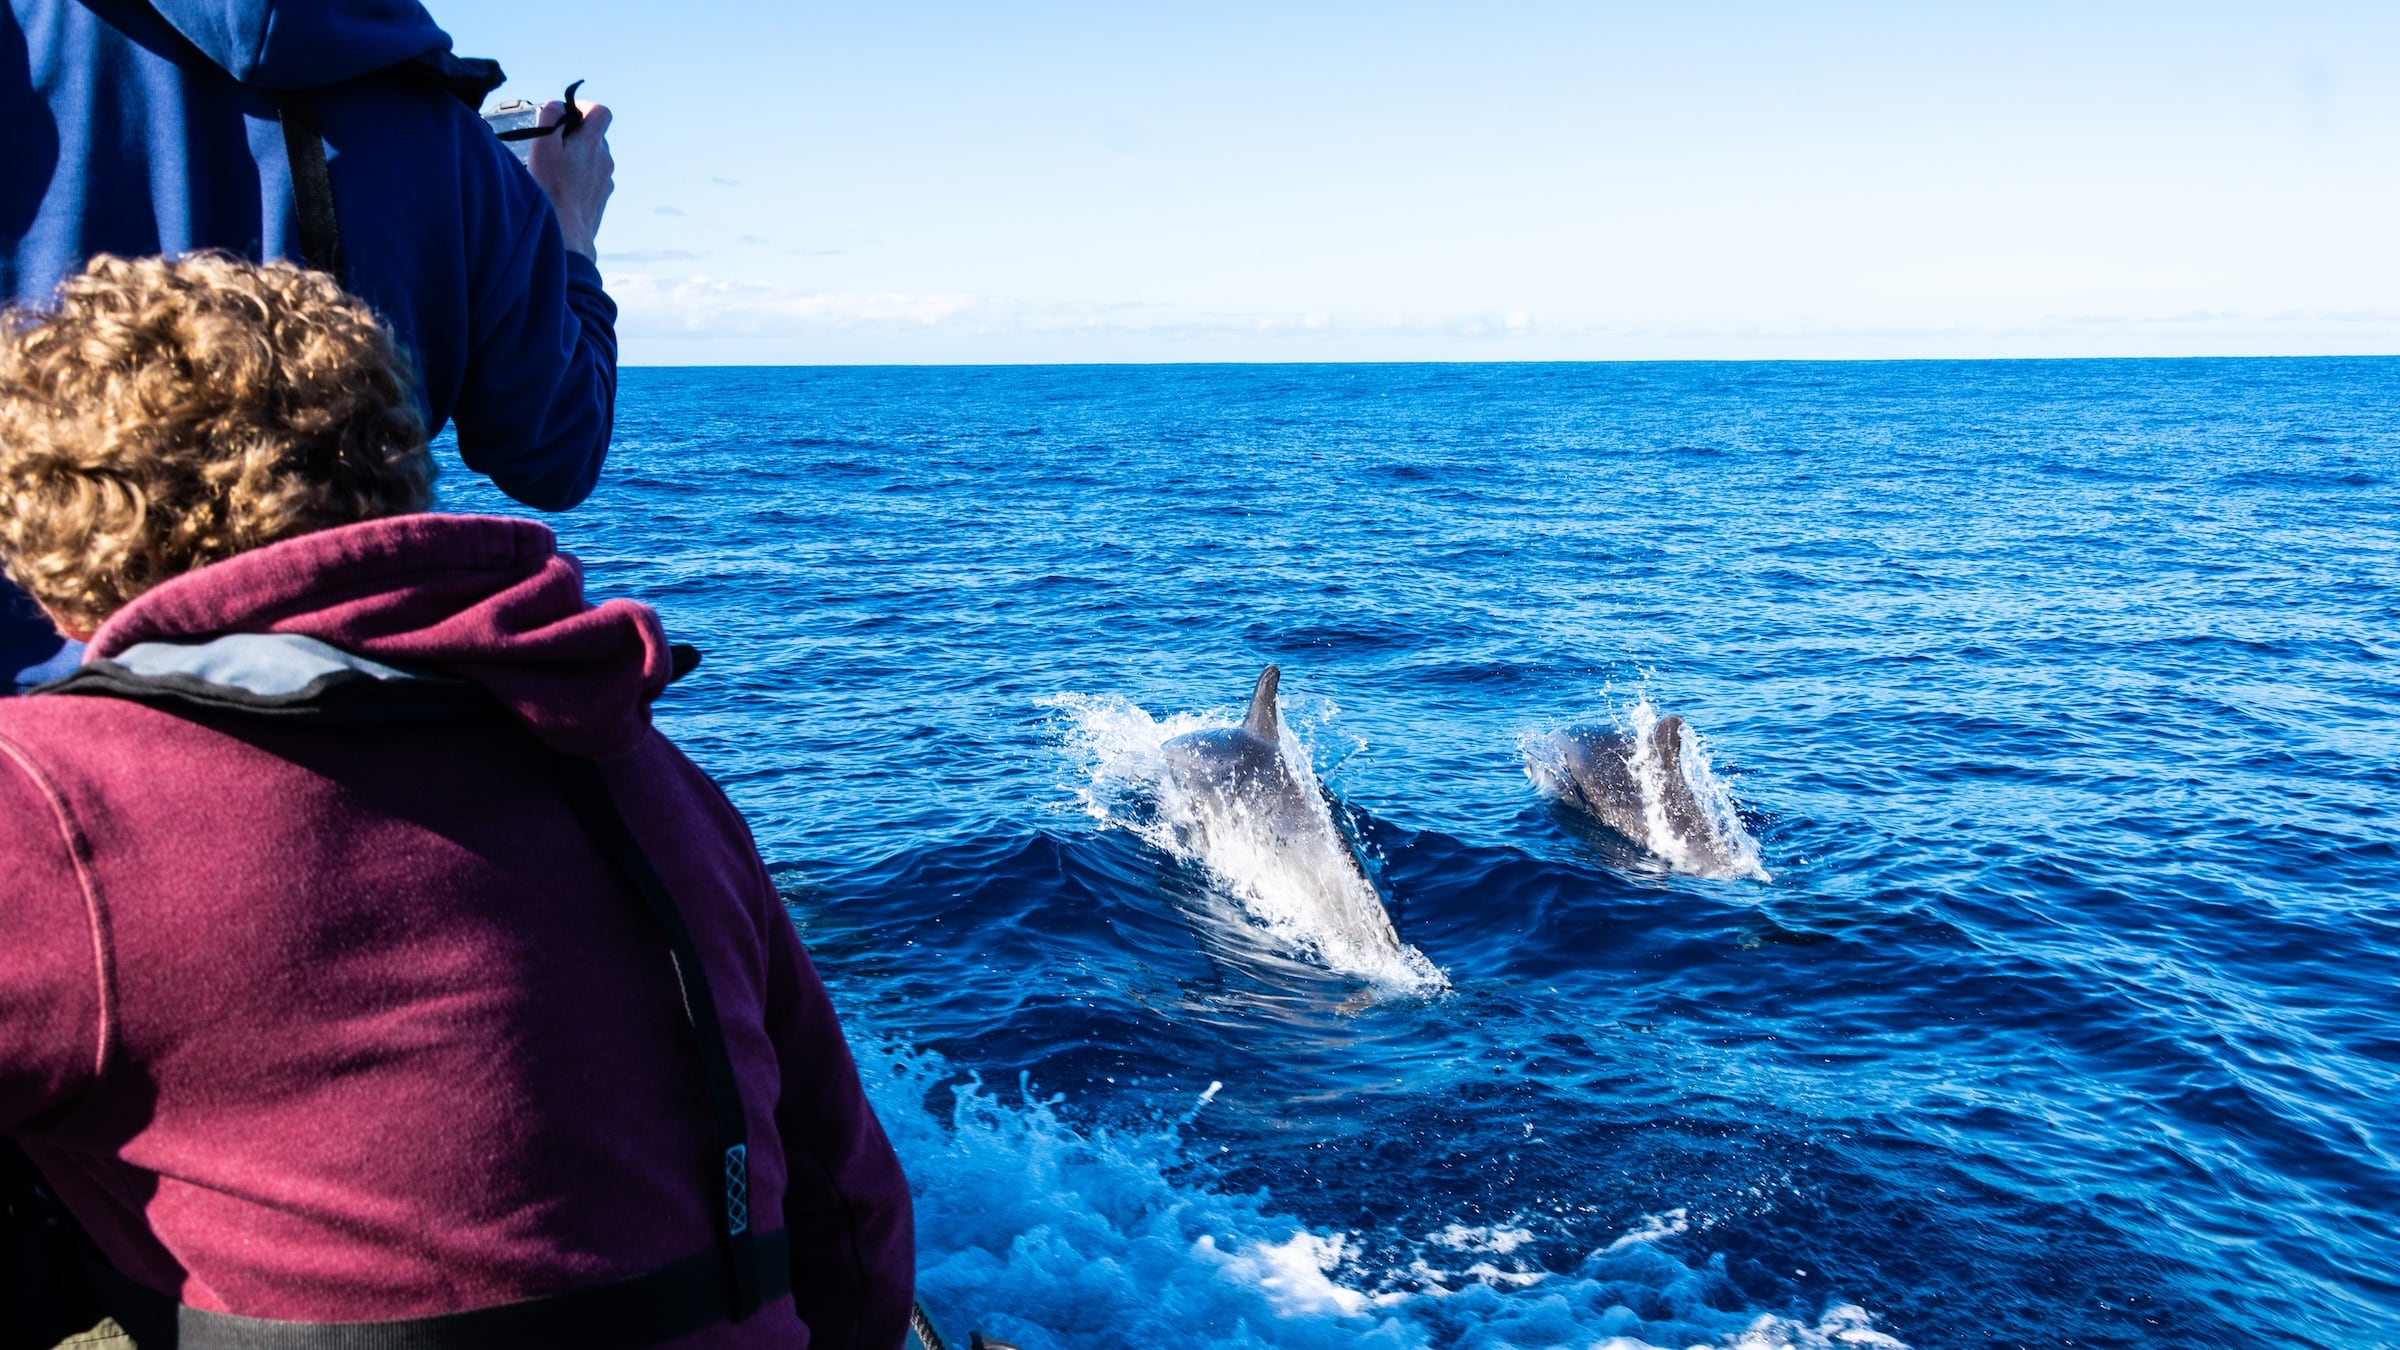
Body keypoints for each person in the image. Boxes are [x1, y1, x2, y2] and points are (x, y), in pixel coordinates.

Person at [0, 254, 913, 1347]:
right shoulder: (630, 752)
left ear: (47, 535)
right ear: (394, 464)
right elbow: (849, 1203)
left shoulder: (48, 800)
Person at [1, 0, 620, 686]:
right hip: (327, 712)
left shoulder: (24, 37)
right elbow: (557, 450)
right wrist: (570, 234)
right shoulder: (443, 128)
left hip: (34, 703)